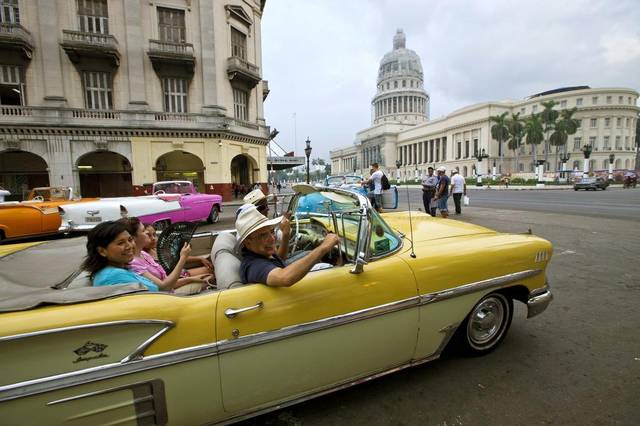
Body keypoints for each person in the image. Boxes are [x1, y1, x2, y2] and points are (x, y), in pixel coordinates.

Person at [237, 204, 339, 287]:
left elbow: (280, 259)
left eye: (271, 232)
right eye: (263, 236)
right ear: (247, 242)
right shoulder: (254, 265)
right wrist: (324, 247)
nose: (272, 238)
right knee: (328, 267)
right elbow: (285, 278)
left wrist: (286, 234)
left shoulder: (261, 253)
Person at [124, 218, 212, 293]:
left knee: (210, 276)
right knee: (210, 281)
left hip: (174, 284)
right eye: (144, 231)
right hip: (167, 295)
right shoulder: (134, 263)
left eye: (154, 234)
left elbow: (167, 280)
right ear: (133, 238)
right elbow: (164, 287)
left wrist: (193, 279)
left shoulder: (143, 254)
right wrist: (183, 258)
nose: (149, 235)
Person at [82, 220, 159, 291]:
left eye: (130, 240)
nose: (129, 246)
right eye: (121, 243)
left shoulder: (119, 268)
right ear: (102, 251)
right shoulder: (113, 276)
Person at [142, 223, 213, 274]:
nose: (153, 238)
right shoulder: (144, 257)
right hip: (178, 276)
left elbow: (177, 258)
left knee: (210, 269)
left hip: (181, 272)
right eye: (148, 235)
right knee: (210, 272)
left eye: (154, 234)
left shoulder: (156, 249)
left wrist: (200, 258)